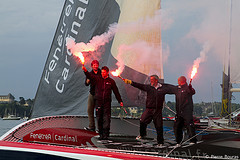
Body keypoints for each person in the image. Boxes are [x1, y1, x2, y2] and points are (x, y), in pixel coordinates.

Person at [124, 75, 169, 147]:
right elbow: (139, 86)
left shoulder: (162, 88)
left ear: (156, 80)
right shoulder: (149, 87)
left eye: (152, 80)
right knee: (142, 120)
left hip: (158, 110)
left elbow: (172, 89)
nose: (150, 81)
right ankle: (142, 134)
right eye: (150, 80)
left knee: (159, 126)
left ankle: (160, 142)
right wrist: (130, 82)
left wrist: (181, 87)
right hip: (149, 109)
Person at [82, 65, 123, 140]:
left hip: (107, 103)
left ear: (107, 73)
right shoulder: (97, 79)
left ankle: (106, 135)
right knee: (99, 118)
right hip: (99, 102)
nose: (102, 73)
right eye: (102, 72)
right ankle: (101, 134)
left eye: (104, 72)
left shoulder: (111, 81)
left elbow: (116, 91)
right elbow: (90, 76)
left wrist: (120, 100)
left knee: (106, 119)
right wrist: (85, 71)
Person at [169, 76, 197, 146]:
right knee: (177, 126)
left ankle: (193, 141)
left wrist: (190, 87)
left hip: (187, 111)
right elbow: (169, 89)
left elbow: (192, 92)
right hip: (179, 112)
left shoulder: (187, 88)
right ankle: (178, 142)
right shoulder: (177, 89)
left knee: (189, 125)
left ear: (180, 81)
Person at [84, 60, 101, 132]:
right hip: (92, 94)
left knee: (99, 112)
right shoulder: (89, 73)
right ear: (92, 66)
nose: (95, 66)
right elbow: (86, 84)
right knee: (89, 110)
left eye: (96, 65)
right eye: (94, 65)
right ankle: (92, 126)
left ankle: (100, 128)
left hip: (99, 95)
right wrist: (87, 81)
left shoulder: (101, 73)